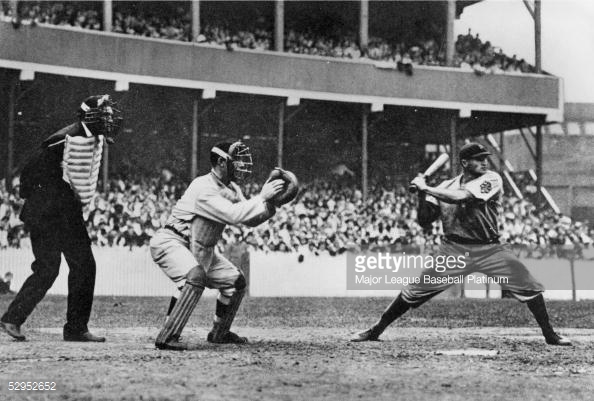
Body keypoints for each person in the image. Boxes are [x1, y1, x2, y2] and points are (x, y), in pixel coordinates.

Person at [351, 142, 571, 346]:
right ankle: (376, 329)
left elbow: (462, 197)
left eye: (485, 158)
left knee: (528, 286)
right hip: (453, 250)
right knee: (414, 291)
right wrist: (420, 194)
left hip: (490, 248)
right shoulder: (446, 185)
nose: (485, 162)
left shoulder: (491, 179)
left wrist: (427, 188)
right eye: (478, 159)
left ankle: (550, 334)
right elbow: (424, 220)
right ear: (465, 163)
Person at [0, 94, 122, 342]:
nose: (109, 120)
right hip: (48, 212)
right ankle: (64, 327)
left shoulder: (90, 137)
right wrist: (43, 198)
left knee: (71, 267)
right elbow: (29, 170)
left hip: (63, 213)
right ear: (89, 116)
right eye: (104, 114)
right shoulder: (62, 139)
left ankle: (18, 320)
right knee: (57, 268)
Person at [150, 141, 286, 350]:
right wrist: (261, 197)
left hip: (199, 249)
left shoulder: (232, 188)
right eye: (236, 160)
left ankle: (219, 333)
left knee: (236, 282)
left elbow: (248, 219)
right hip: (172, 241)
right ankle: (167, 336)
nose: (241, 165)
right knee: (194, 277)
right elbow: (233, 215)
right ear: (222, 162)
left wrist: (271, 204)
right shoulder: (203, 187)